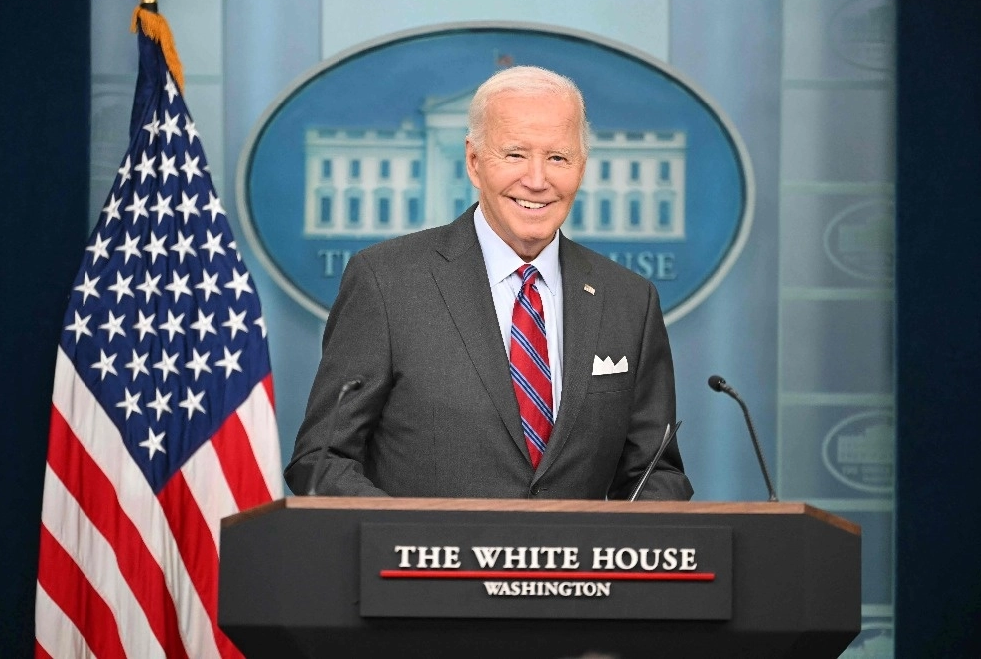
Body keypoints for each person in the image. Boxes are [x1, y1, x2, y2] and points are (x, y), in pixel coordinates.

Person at [284, 66, 693, 500]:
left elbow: (655, 473)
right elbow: (322, 461)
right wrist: (408, 540)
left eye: (558, 157)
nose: (537, 180)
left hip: (577, 568)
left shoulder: (630, 300)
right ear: (474, 162)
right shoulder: (386, 282)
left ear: (582, 167)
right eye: (515, 154)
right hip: (424, 564)